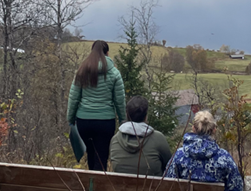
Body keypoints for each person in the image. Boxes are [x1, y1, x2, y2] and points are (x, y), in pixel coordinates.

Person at [67, 40, 127, 171]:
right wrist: (123, 120)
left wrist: (71, 119)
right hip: (105, 122)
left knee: (91, 155)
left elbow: (74, 98)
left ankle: (91, 187)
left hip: (84, 121)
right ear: (107, 53)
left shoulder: (82, 71)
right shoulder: (114, 73)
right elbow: (119, 100)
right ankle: (99, 186)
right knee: (102, 156)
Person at [109, 96, 172, 177]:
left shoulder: (116, 139)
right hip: (153, 188)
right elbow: (169, 166)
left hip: (121, 188)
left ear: (127, 114)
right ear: (146, 116)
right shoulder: (158, 138)